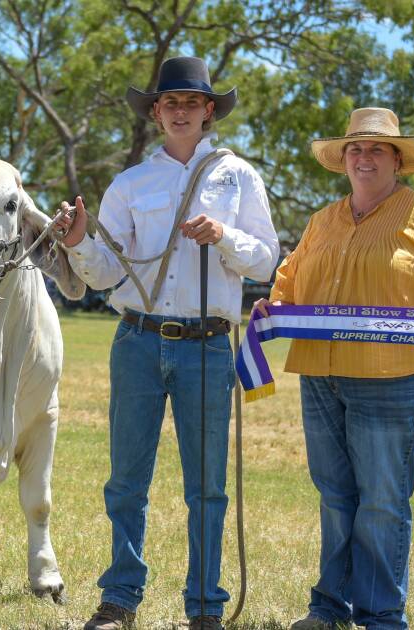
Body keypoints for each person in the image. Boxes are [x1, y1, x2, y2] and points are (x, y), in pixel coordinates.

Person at [54, 56, 279, 630]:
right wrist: (80, 243)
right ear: (156, 112)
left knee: (206, 488)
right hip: (137, 342)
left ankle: (205, 606)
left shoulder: (240, 177)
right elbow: (105, 273)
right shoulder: (130, 184)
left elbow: (267, 258)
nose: (180, 111)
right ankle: (120, 599)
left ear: (209, 111)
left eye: (191, 103)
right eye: (169, 102)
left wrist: (225, 236)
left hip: (207, 344)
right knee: (127, 481)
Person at [260, 108, 414, 630]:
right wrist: (273, 305)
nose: (363, 158)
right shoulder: (322, 220)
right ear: (343, 159)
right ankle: (329, 608)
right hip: (322, 375)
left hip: (395, 378)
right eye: (355, 149)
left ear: (397, 160)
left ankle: (382, 616)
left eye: (376, 150)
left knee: (383, 500)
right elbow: (292, 281)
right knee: (335, 494)